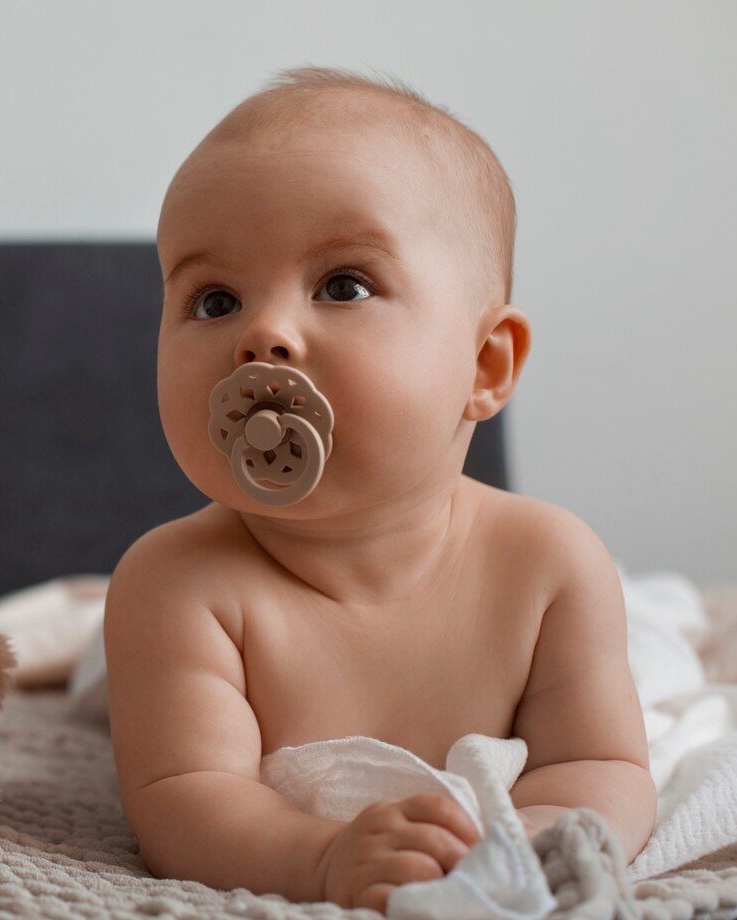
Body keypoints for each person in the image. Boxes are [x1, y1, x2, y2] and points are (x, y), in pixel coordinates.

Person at [103, 66, 655, 913]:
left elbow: (603, 767)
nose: (264, 334)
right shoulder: (176, 586)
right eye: (215, 299)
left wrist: (525, 849)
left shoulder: (549, 566)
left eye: (343, 286)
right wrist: (320, 857)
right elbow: (184, 802)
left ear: (484, 366)